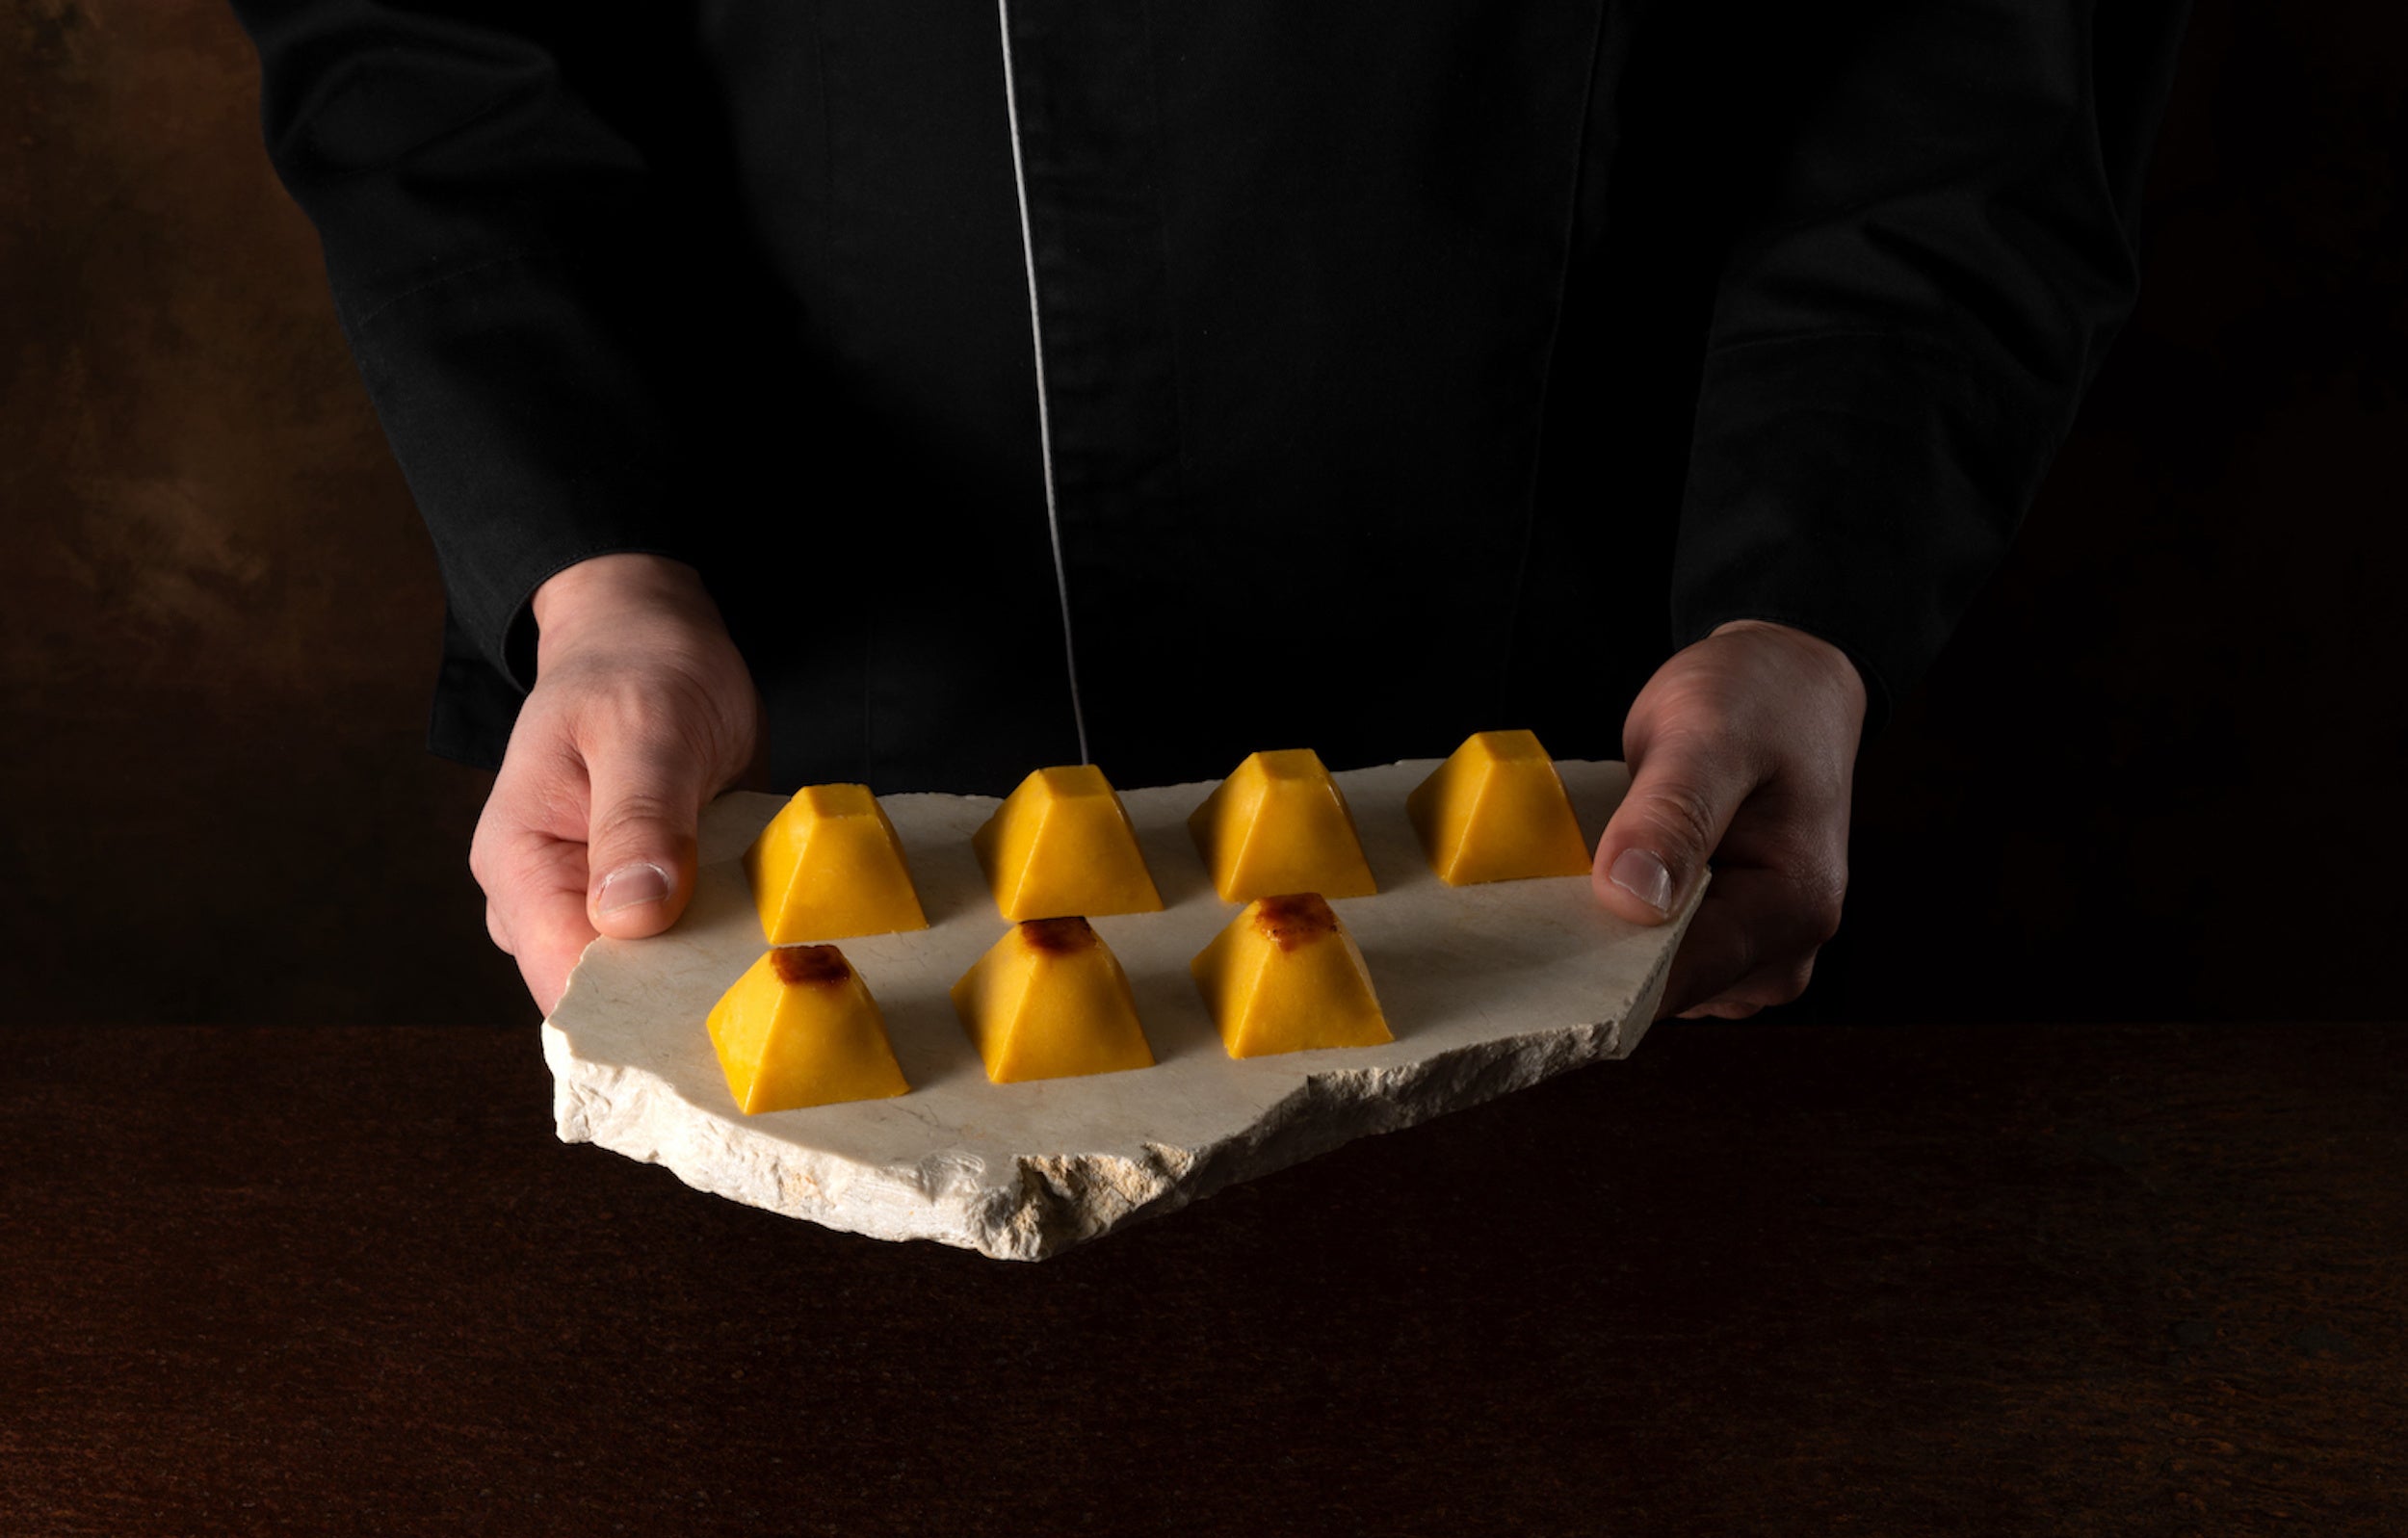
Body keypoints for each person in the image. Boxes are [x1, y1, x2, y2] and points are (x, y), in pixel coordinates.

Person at [232, 0, 2188, 1017]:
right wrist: (590, 571)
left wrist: (1803, 595)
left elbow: (1969, 60)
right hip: (786, 765)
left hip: (1611, 775)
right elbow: (421, 38)